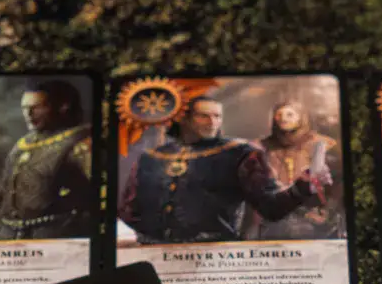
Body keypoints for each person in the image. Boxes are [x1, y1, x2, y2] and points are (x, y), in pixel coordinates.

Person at [118, 96, 329, 243]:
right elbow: (129, 210)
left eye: (217, 116)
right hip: (153, 252)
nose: (212, 122)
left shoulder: (240, 152)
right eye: (203, 116)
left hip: (215, 254)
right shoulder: (151, 157)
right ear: (185, 118)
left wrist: (303, 187)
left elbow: (270, 207)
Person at [0, 79, 93, 240]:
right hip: (9, 236)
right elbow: (6, 191)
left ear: (63, 106)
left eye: (37, 107)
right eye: (24, 108)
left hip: (56, 236)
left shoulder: (82, 143)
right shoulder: (22, 144)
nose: (28, 114)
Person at [247, 101, 342, 240]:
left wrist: (328, 210)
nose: (283, 118)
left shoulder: (322, 144)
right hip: (276, 214)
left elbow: (337, 183)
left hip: (313, 216)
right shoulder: (260, 146)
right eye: (279, 114)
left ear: (300, 117)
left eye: (289, 114)